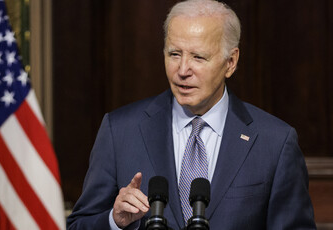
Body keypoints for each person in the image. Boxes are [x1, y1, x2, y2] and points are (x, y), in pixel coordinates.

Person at [67, 0, 316, 229]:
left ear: (230, 62)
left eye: (198, 57)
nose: (182, 70)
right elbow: (79, 225)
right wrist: (114, 221)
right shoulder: (120, 131)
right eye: (174, 54)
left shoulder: (275, 142)